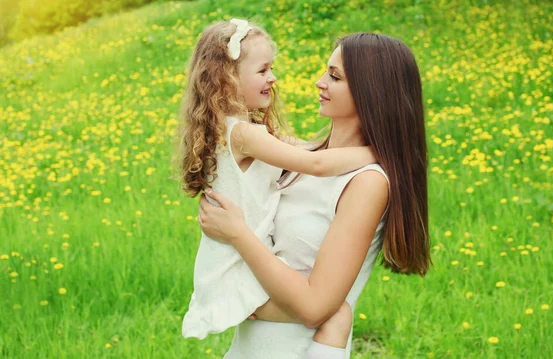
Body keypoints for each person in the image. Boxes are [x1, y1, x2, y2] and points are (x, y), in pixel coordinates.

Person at [199, 32, 431, 359]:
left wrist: (236, 234)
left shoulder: (367, 182)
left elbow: (313, 309)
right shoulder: (303, 158)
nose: (320, 82)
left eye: (334, 76)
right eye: (326, 71)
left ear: (372, 93)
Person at [178, 19, 376, 355]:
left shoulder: (238, 132)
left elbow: (306, 149)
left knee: (332, 313)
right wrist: (378, 153)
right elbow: (315, 162)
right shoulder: (246, 135)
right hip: (237, 270)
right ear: (228, 80)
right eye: (263, 70)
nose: (273, 78)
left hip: (230, 266)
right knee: (336, 314)